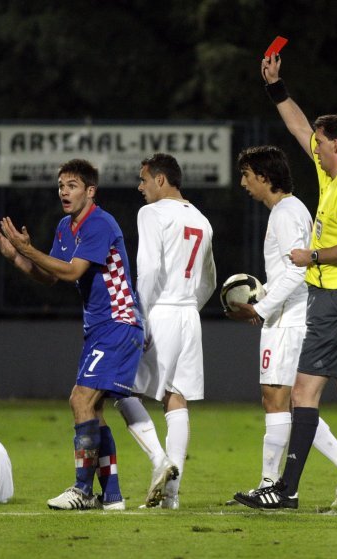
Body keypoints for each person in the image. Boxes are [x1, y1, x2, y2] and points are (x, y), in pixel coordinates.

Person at [235, 54, 337, 511]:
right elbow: (298, 126)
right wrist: (275, 86)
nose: (314, 147)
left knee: (302, 392)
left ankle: (285, 490)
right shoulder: (332, 174)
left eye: (321, 143)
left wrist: (312, 256)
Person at [0, 158, 143, 510]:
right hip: (100, 328)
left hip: (119, 323)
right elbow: (52, 275)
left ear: (90, 191)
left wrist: (29, 249)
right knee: (93, 409)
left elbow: (72, 270)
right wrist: (17, 258)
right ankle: (113, 496)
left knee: (80, 400)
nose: (64, 191)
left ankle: (83, 490)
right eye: (61, 185)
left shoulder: (100, 223)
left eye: (72, 185)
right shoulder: (66, 226)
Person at [228, 145, 337, 508]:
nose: (243, 183)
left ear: (263, 176)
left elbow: (297, 269)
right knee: (284, 402)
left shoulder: (287, 212)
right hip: (286, 316)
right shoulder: (286, 210)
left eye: (246, 175)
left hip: (289, 319)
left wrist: (261, 307)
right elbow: (286, 270)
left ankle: (279, 482)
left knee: (280, 400)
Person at [114, 153, 216, 510]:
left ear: (161, 180)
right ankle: (169, 498)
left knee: (120, 389)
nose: (139, 187)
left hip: (160, 312)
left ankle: (160, 461)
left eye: (144, 180)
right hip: (190, 316)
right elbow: (210, 281)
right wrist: (189, 305)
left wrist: (138, 315)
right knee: (176, 398)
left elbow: (151, 267)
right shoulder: (201, 220)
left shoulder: (152, 213)